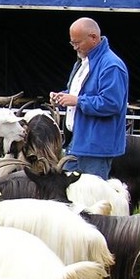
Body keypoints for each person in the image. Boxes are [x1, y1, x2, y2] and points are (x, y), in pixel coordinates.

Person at [50, 17, 129, 179]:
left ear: (93, 37)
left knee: (92, 199)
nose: (74, 47)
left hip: (96, 148)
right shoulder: (82, 62)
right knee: (67, 194)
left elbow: (111, 103)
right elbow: (79, 93)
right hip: (77, 143)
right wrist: (63, 97)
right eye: (72, 43)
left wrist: (77, 101)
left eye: (77, 42)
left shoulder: (111, 65)